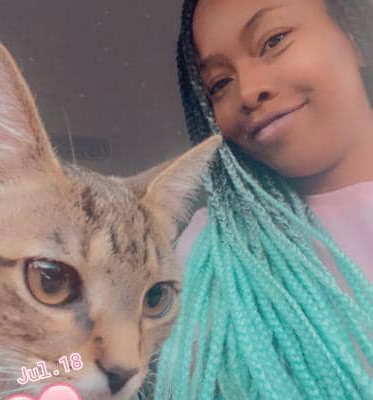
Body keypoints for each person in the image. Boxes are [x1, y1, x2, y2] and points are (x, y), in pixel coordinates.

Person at [154, 0, 373, 399]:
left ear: (353, 36)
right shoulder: (213, 254)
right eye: (219, 83)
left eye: (273, 41)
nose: (249, 91)